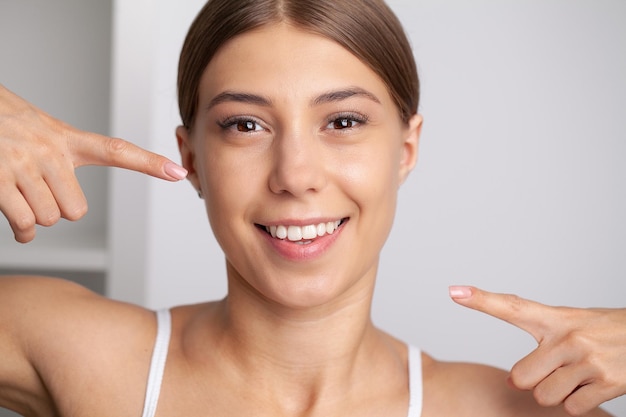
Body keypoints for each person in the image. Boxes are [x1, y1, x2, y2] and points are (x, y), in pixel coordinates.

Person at [0, 0, 624, 415]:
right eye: (244, 125)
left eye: (343, 120)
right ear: (191, 159)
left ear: (405, 149)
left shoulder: (513, 410)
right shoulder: (72, 351)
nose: (295, 176)